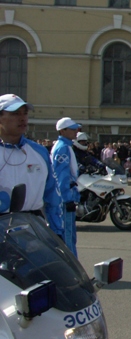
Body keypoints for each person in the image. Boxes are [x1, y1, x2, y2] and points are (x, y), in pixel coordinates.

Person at [0, 94, 64, 239]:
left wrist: (57, 232)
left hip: (31, 230)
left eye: (25, 113)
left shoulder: (39, 152)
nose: (22, 118)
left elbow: (52, 196)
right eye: (15, 114)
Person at [50, 117, 83, 256]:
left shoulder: (65, 146)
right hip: (65, 199)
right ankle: (73, 271)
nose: (76, 131)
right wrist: (67, 199)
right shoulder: (63, 148)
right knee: (68, 237)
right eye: (72, 129)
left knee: (69, 236)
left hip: (66, 196)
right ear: (63, 131)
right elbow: (62, 176)